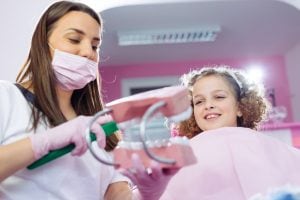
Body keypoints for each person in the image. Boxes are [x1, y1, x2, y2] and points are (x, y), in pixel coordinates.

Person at [0, 1, 175, 199]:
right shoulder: (6, 97)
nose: (87, 52)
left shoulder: (101, 129)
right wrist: (43, 142)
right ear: (42, 42)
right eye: (74, 39)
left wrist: (147, 194)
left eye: (95, 46)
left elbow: (116, 195)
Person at [161, 65, 300, 200]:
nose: (208, 105)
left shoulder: (269, 147)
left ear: (240, 106)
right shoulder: (184, 154)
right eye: (199, 102)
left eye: (219, 97)